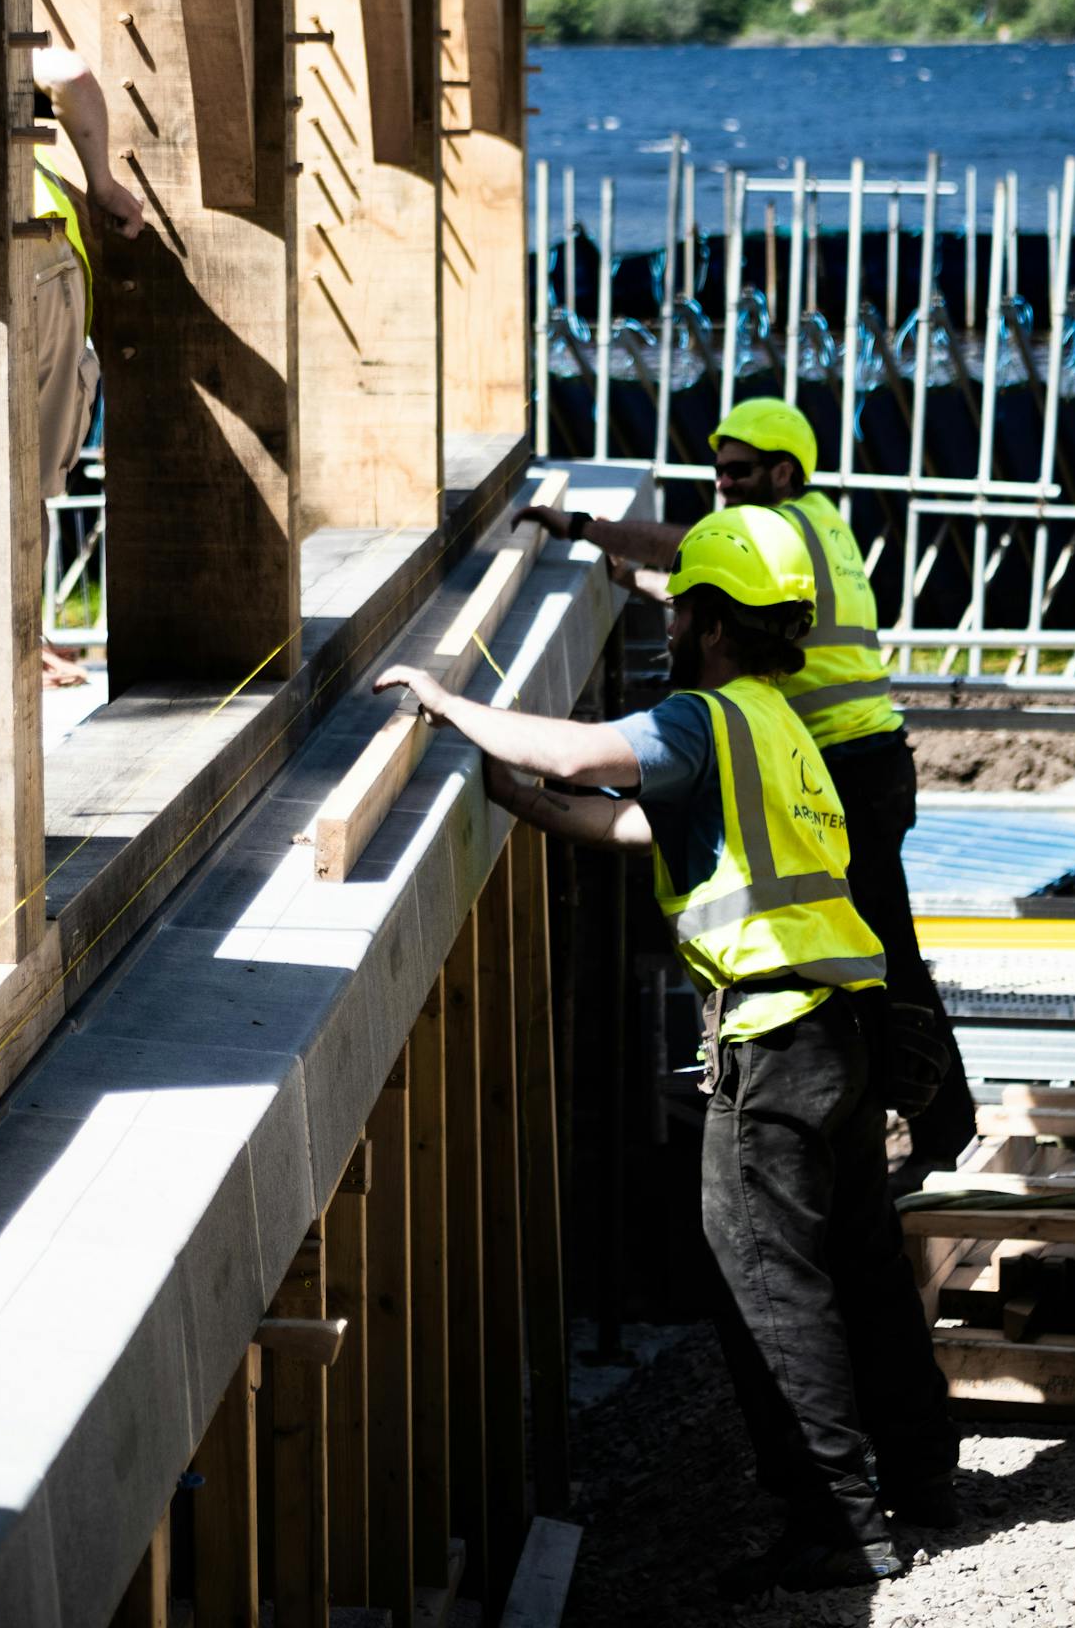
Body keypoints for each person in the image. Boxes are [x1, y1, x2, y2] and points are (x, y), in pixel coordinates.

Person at [377, 509, 957, 1589]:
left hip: (773, 1041)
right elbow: (636, 822)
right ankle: (925, 1480)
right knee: (861, 1267)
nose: (674, 622)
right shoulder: (779, 726)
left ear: (715, 623)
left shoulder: (702, 716)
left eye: (686, 606)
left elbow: (587, 749)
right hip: (844, 1033)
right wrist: (525, 800)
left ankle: (841, 1522)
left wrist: (451, 704)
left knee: (766, 1285)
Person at [517, 395, 978, 1175]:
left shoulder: (784, 527)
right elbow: (742, 599)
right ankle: (929, 1130)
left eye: (736, 472)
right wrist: (660, 593)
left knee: (884, 955)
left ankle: (940, 1137)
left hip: (851, 765)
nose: (722, 485)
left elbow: (686, 541)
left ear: (783, 471)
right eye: (718, 471)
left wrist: (584, 529)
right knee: (882, 948)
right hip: (870, 761)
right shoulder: (821, 522)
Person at [28, 44, 147, 686]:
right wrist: (101, 183)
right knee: (26, 483)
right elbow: (68, 71)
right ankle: (24, 643)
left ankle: (18, 646)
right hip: (39, 251)